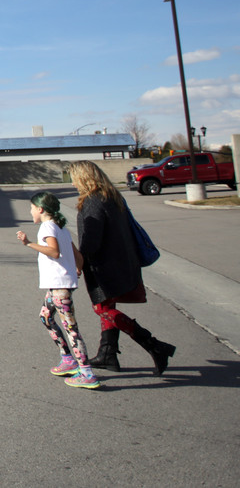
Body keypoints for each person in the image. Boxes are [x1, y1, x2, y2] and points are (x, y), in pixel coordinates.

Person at [69, 160, 176, 376]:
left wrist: (78, 261)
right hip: (121, 261)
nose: (73, 184)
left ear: (82, 178)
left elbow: (91, 242)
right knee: (107, 306)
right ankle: (107, 354)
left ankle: (154, 345)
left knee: (103, 309)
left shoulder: (92, 201)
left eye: (73, 179)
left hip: (103, 265)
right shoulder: (112, 196)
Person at [17, 191, 100, 389]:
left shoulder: (47, 227)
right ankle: (68, 359)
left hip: (60, 288)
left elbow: (54, 252)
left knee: (71, 328)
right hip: (58, 286)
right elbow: (77, 255)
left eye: (31, 208)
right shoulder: (60, 227)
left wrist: (29, 243)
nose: (30, 212)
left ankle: (86, 372)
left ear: (41, 209)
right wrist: (77, 268)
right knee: (45, 317)